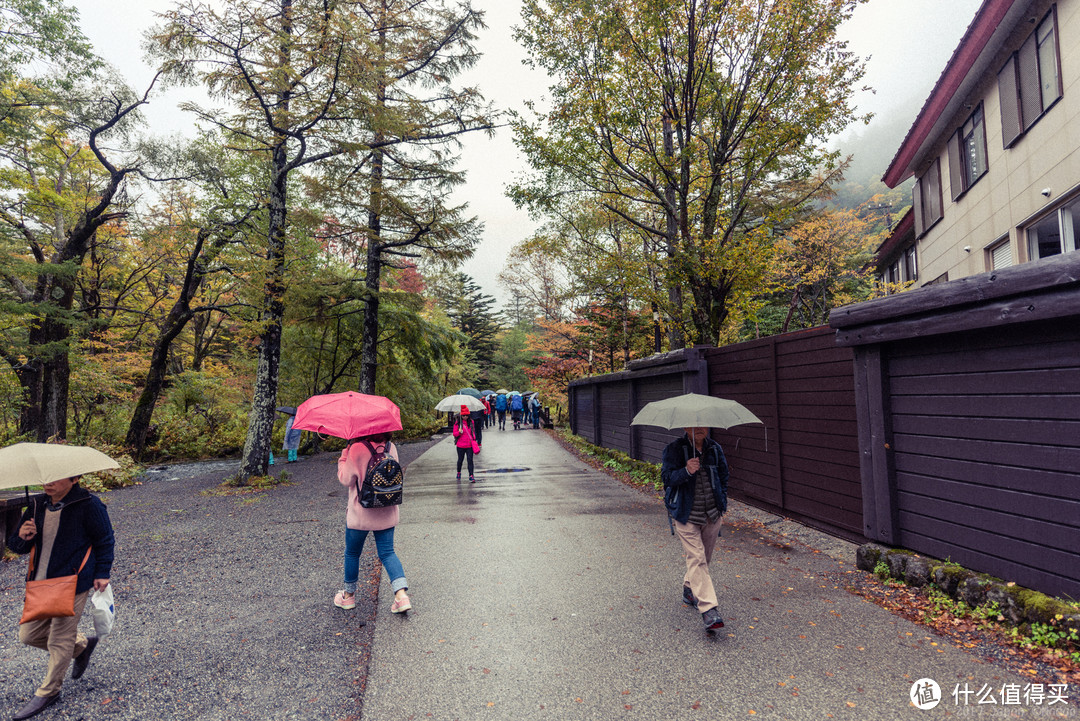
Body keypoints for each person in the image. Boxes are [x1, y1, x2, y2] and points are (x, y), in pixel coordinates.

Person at [7, 475, 114, 720]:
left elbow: (105, 540)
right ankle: (83, 646)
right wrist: (23, 535)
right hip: (40, 583)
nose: (48, 482)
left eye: (56, 478)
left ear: (74, 478)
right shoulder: (36, 505)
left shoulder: (89, 504)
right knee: (29, 635)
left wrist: (102, 572)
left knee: (59, 639)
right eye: (45, 477)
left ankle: (49, 691)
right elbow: (16, 546)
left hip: (74, 581)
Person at [660, 426, 729, 633]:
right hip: (686, 514)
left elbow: (724, 478)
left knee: (704, 558)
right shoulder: (674, 449)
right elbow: (666, 479)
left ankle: (689, 588)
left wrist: (721, 503)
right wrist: (686, 471)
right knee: (697, 558)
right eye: (694, 425)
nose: (699, 428)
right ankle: (709, 609)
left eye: (703, 424)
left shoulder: (715, 449)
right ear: (685, 427)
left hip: (711, 515)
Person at [334, 433, 411, 615]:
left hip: (361, 512)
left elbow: (346, 480)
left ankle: (348, 596)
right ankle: (401, 596)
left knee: (352, 553)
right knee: (387, 553)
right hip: (386, 509)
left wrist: (344, 457)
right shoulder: (391, 447)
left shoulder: (356, 449)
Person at [452, 407, 478, 483]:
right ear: (461, 415)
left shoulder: (471, 422)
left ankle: (471, 475)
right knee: (460, 460)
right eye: (463, 415)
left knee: (470, 460)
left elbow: (473, 432)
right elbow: (454, 433)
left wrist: (474, 439)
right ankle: (459, 472)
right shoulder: (458, 423)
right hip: (460, 445)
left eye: (466, 415)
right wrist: (459, 432)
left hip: (469, 445)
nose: (465, 417)